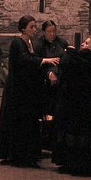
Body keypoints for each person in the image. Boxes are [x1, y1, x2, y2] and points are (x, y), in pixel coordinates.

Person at [0, 15, 60, 167]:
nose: (34, 29)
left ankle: (26, 154)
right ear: (23, 28)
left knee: (27, 121)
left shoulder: (29, 43)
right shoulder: (17, 43)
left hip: (25, 89)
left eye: (35, 26)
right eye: (31, 26)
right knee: (18, 120)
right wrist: (44, 60)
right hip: (17, 89)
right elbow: (24, 61)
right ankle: (17, 155)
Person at [52, 35, 91, 176]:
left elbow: (64, 70)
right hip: (88, 109)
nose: (82, 44)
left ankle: (68, 164)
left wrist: (68, 52)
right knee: (84, 136)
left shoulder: (75, 58)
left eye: (86, 43)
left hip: (71, 106)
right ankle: (83, 166)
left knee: (71, 133)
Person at [36, 21, 68, 150]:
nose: (52, 34)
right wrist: (48, 73)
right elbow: (37, 64)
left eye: (54, 31)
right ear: (44, 32)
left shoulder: (62, 43)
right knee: (48, 110)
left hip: (61, 80)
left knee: (60, 109)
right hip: (46, 83)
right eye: (49, 31)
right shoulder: (39, 46)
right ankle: (46, 139)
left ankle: (59, 139)